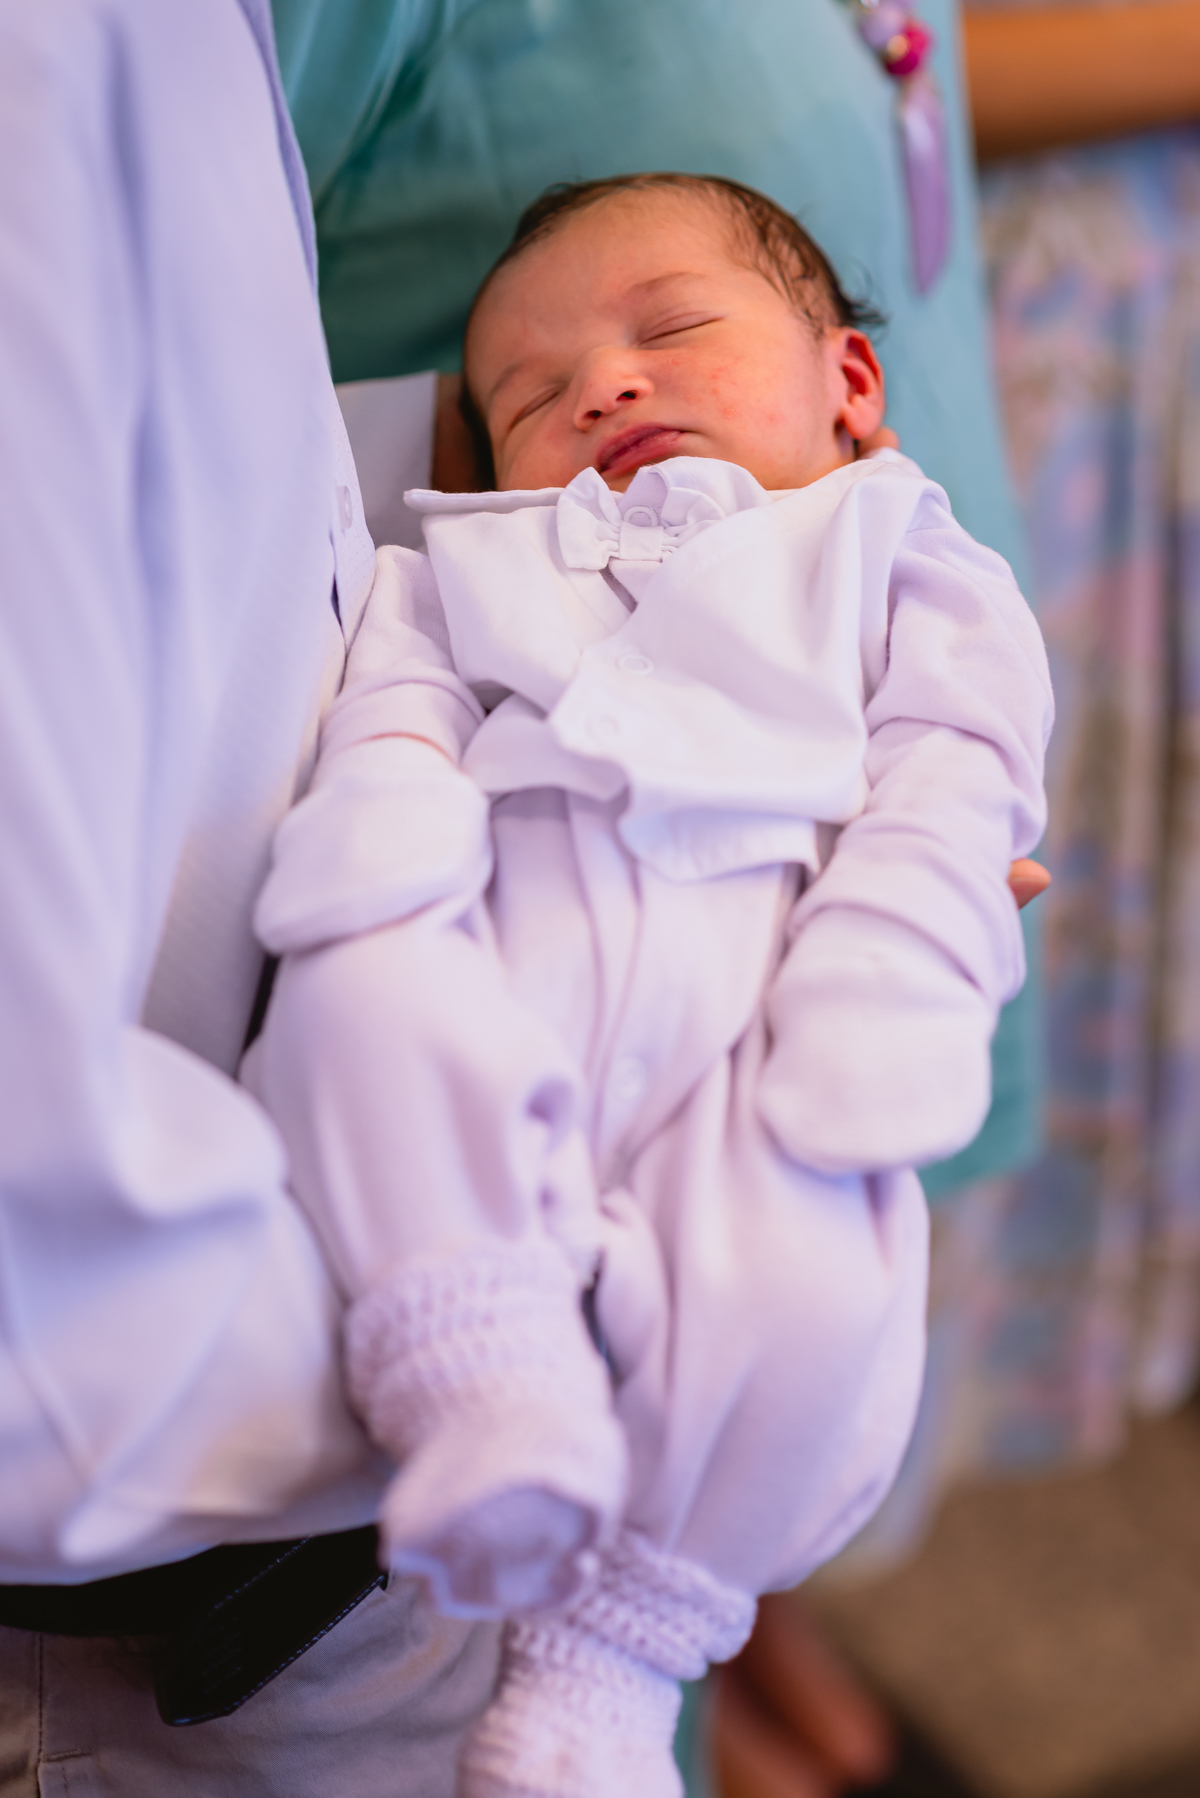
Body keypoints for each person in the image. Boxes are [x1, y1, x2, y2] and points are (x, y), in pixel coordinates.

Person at [248, 173, 1053, 1798]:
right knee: (359, 1022)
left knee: (811, 1282)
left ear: (849, 383)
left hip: (761, 1004)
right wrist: (383, 858)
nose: (605, 387)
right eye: (532, 393)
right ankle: (478, 1367)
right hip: (501, 953)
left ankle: (616, 1652)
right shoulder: (456, 563)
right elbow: (394, 714)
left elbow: (959, 772)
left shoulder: (894, 544)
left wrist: (896, 955)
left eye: (672, 330)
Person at [0, 4, 501, 1793]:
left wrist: (527, 467)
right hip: (164, 1585)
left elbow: (162, 497)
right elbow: (42, 1308)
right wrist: (576, 1262)